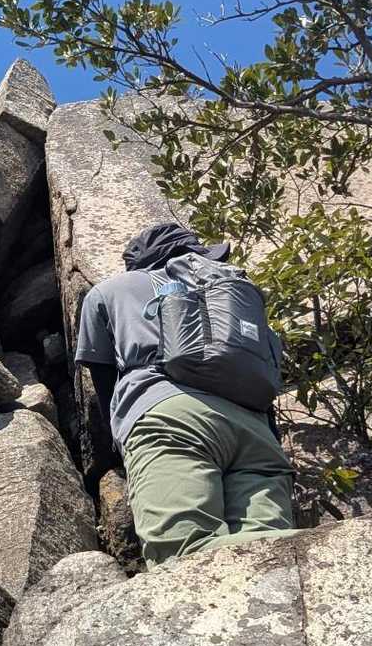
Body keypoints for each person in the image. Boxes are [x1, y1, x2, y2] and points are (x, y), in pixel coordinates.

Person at [75, 220, 294, 566]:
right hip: (255, 430)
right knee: (273, 555)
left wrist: (121, 446)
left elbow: (104, 385)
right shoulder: (228, 285)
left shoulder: (108, 292)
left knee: (185, 557)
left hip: (170, 420)